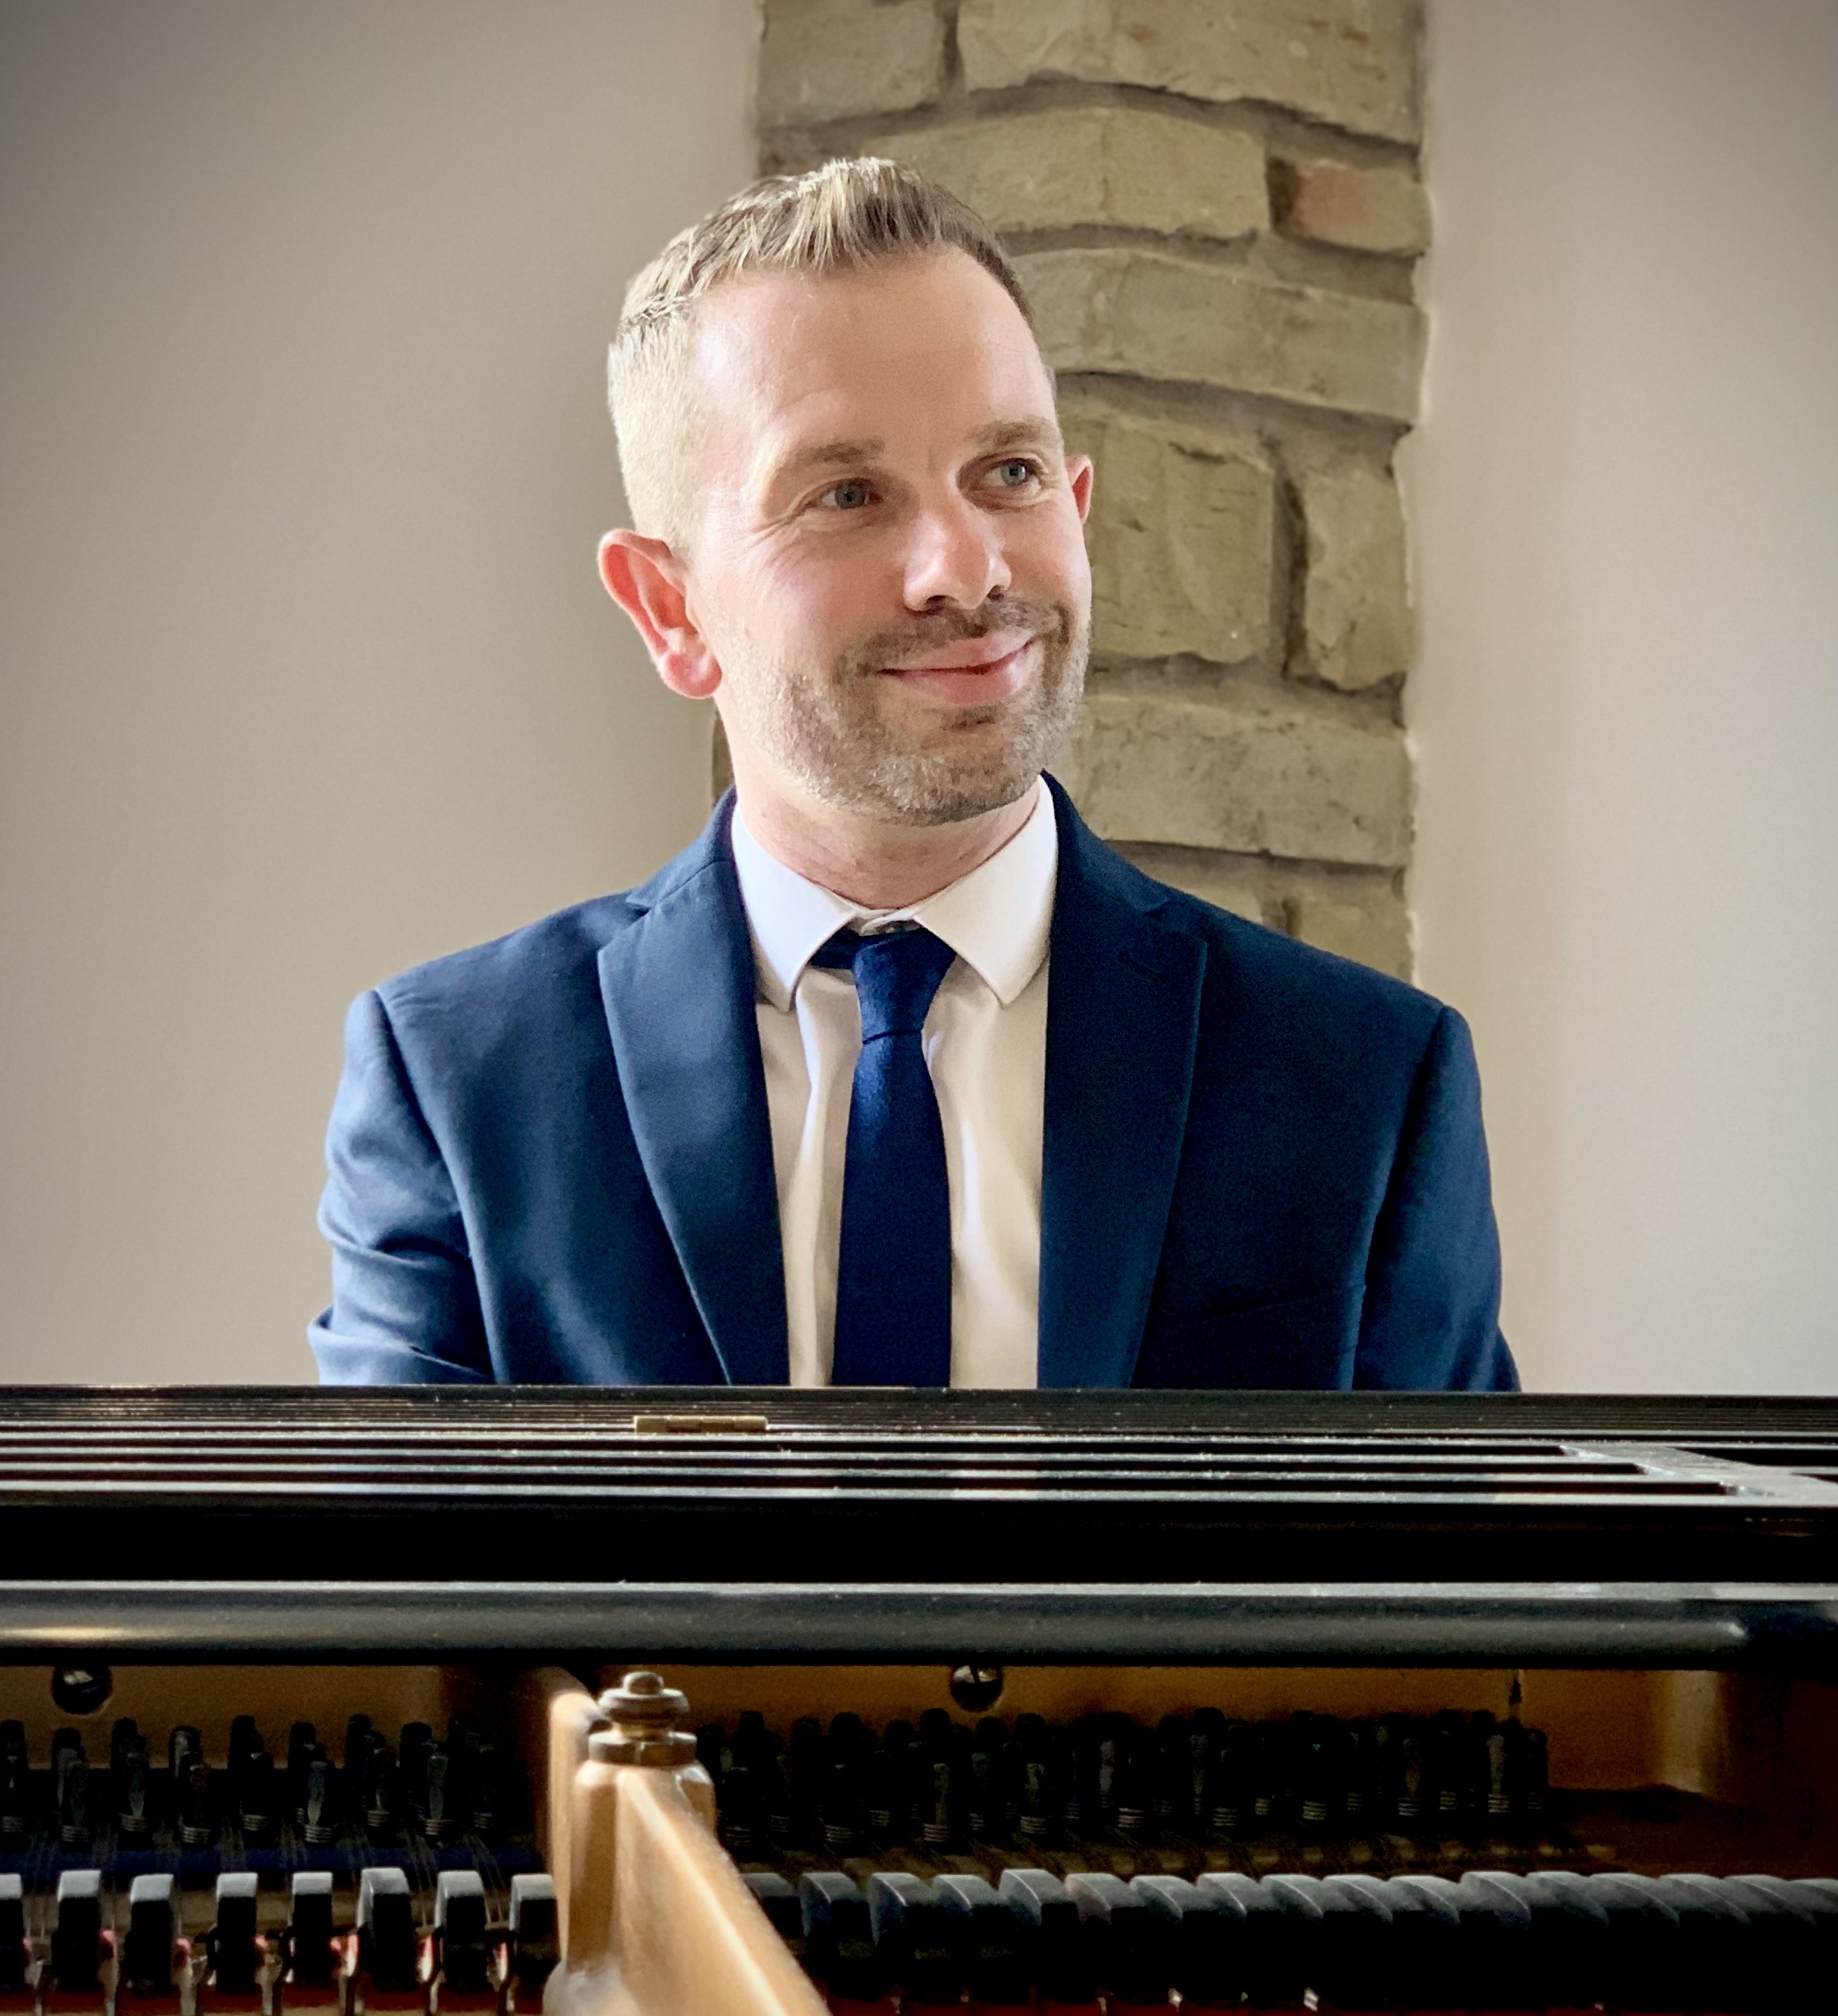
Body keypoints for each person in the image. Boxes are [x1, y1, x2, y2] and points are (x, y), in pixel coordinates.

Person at [310, 159, 1515, 1391]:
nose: (965, 568)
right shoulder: (461, 1084)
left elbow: (1459, 1586)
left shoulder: (1363, 1088)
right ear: (669, 608)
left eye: (1010, 473)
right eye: (847, 494)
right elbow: (406, 1585)